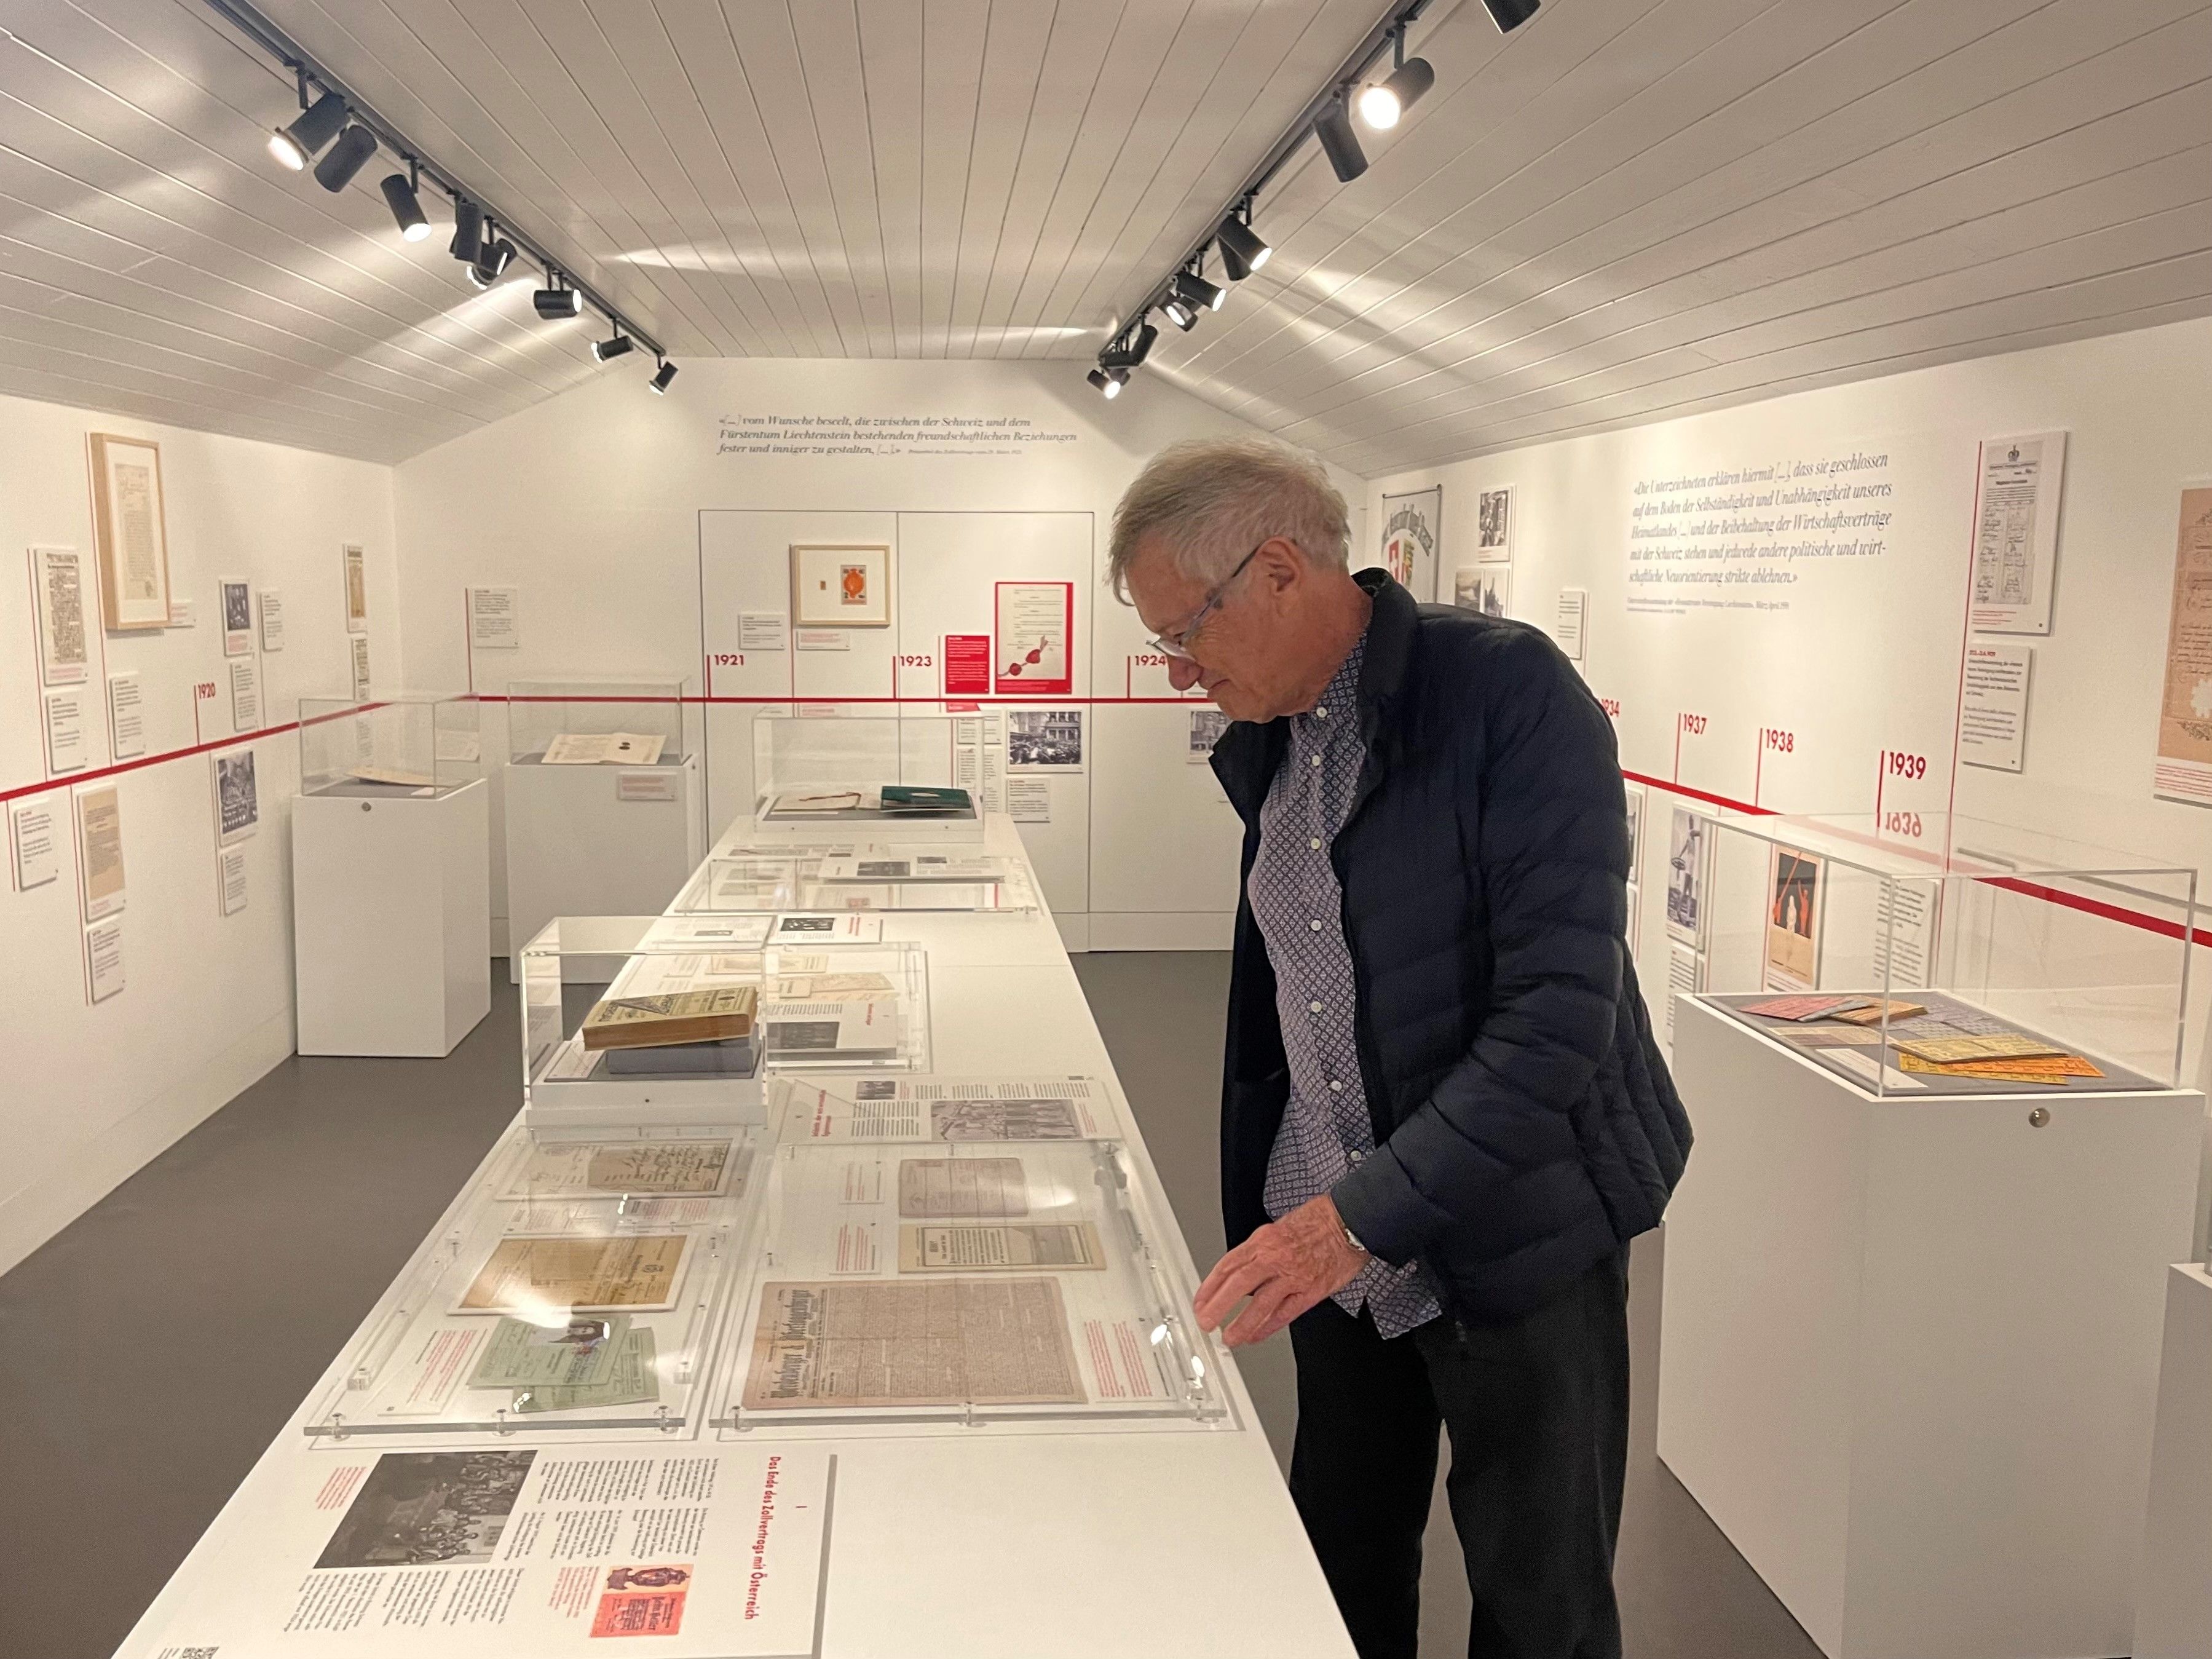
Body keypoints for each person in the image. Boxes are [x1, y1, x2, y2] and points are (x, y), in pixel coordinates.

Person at [1110, 438, 1691, 1659]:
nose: (1176, 670)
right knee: (1340, 1560)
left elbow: (1553, 1022)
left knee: (1539, 1599)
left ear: (1276, 571)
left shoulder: (1506, 695)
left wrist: (1352, 1215)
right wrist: (1319, 1214)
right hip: (1339, 1246)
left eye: (1185, 633)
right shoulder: (1274, 731)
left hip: (1513, 1231)